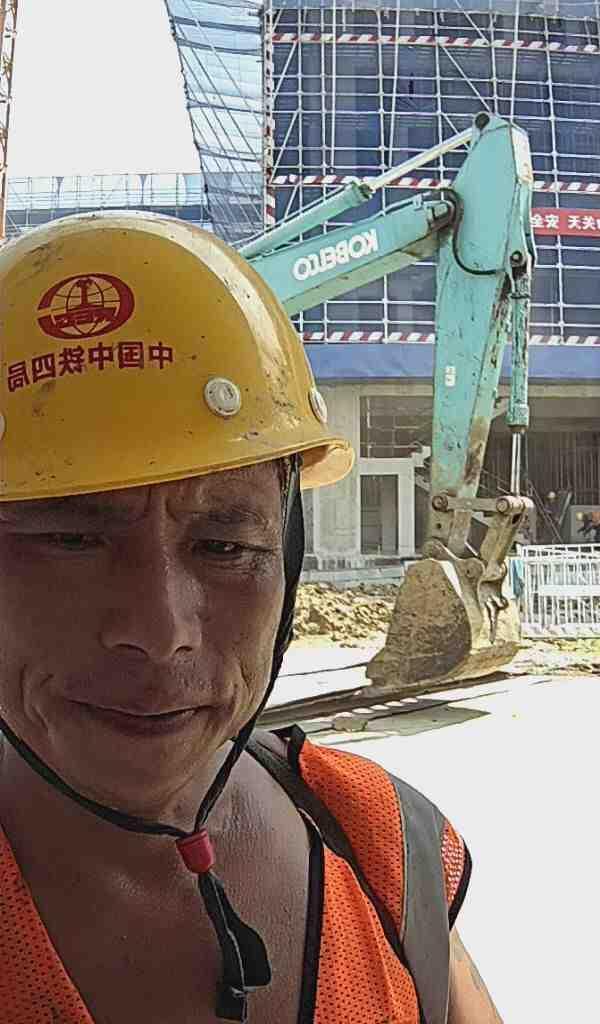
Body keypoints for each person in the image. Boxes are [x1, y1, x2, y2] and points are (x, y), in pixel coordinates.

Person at [0, 212, 502, 1024]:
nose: (161, 631)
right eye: (69, 540)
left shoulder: (383, 846)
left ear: (287, 558)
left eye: (226, 546)